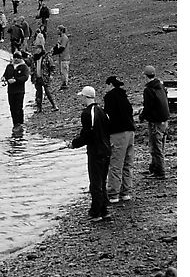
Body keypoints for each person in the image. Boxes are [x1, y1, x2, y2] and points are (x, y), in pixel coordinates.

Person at [70, 86, 112, 222]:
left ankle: (96, 212)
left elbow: (88, 135)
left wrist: (74, 144)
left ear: (86, 97)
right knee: (102, 181)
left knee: (95, 183)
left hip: (96, 152)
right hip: (106, 151)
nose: (80, 99)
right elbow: (105, 130)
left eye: (81, 96)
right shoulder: (102, 111)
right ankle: (104, 210)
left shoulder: (87, 113)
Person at [104, 76, 135, 203]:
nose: (105, 88)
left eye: (106, 85)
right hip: (130, 132)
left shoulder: (109, 97)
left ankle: (113, 194)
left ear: (110, 84)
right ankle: (126, 192)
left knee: (116, 163)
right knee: (128, 163)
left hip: (118, 133)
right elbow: (130, 111)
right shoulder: (124, 96)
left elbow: (108, 116)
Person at [139, 65, 170, 179]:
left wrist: (142, 116)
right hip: (165, 121)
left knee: (155, 147)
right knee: (160, 146)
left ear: (145, 76)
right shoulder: (160, 85)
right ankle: (153, 168)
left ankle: (160, 172)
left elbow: (148, 107)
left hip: (155, 122)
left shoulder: (148, 90)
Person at [1, 51, 30, 132]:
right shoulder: (9, 66)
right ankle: (15, 124)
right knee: (12, 108)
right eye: (15, 57)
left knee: (19, 107)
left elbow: (25, 77)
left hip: (20, 90)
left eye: (18, 57)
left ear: (21, 58)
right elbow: (5, 75)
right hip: (10, 91)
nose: (16, 59)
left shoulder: (24, 67)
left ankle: (20, 124)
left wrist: (15, 80)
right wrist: (4, 78)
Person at [30, 45, 58, 113]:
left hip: (45, 78)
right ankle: (39, 108)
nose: (37, 50)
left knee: (48, 92)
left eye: (38, 49)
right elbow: (31, 67)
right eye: (36, 49)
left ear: (41, 50)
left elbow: (52, 67)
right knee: (38, 94)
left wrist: (51, 75)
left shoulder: (46, 57)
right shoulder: (34, 58)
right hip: (37, 78)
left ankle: (54, 105)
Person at [52, 25, 70, 90]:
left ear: (61, 30)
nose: (57, 31)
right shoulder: (60, 37)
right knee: (61, 71)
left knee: (64, 71)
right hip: (61, 57)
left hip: (65, 57)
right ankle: (63, 84)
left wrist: (54, 53)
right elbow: (57, 46)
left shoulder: (65, 38)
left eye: (58, 30)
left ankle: (65, 84)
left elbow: (62, 48)